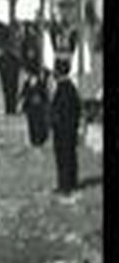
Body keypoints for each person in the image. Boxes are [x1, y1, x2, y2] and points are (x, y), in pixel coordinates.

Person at [49, 56, 81, 195]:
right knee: (69, 156)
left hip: (64, 130)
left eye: (56, 71)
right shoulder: (69, 88)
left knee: (64, 157)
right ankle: (69, 183)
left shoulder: (65, 89)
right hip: (68, 129)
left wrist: (55, 120)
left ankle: (65, 185)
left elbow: (65, 111)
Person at [21, 63, 50, 148]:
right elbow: (24, 93)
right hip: (31, 107)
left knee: (39, 122)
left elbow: (44, 93)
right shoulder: (28, 82)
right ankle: (33, 139)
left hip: (38, 107)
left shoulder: (40, 82)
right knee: (32, 123)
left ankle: (39, 139)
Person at [0, 33, 22, 117]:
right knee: (11, 89)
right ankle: (11, 108)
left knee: (9, 89)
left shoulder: (5, 52)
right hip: (10, 63)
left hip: (10, 63)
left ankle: (10, 108)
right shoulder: (11, 51)